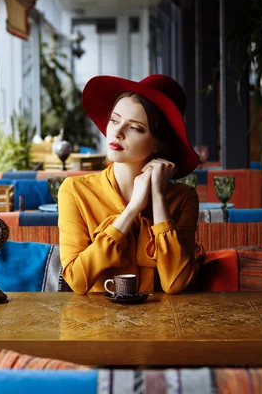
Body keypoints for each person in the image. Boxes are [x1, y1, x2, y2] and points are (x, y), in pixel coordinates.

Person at [58, 74, 199, 295]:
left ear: (158, 144)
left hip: (161, 326)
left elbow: (176, 283)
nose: (117, 132)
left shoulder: (184, 198)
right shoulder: (74, 191)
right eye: (114, 120)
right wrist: (132, 209)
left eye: (135, 128)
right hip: (95, 324)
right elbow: (76, 280)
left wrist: (159, 198)